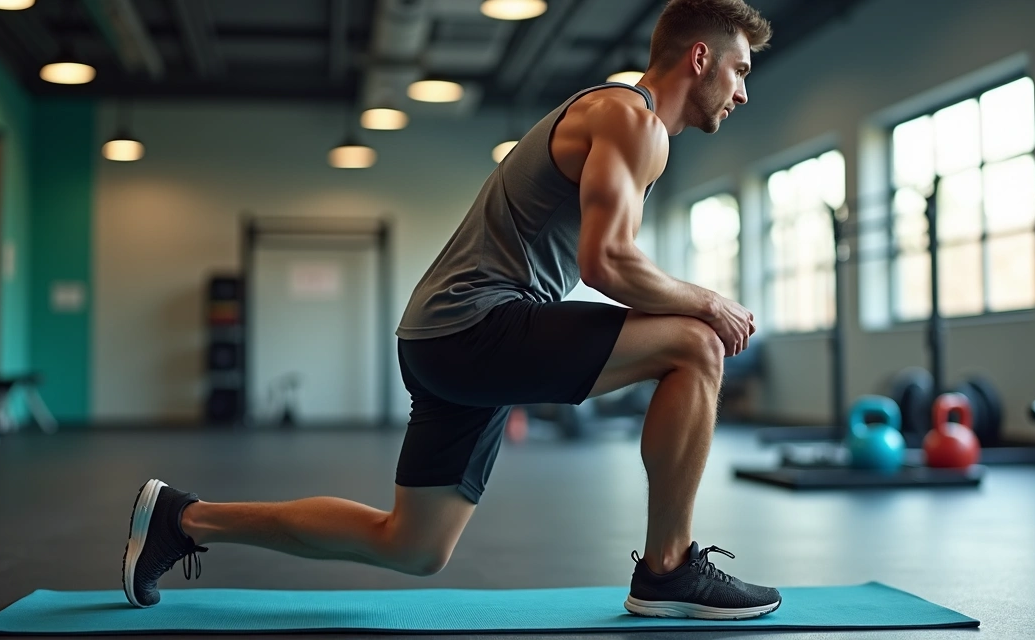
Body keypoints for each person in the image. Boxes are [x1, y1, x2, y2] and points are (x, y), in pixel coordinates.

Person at [123, 0, 780, 620]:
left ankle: (183, 519)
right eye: (740, 69)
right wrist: (710, 302)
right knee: (696, 341)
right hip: (475, 326)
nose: (745, 91)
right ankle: (669, 569)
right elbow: (605, 262)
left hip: (443, 338)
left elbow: (604, 261)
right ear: (699, 57)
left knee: (412, 545)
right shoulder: (631, 120)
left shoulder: (627, 123)